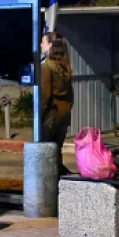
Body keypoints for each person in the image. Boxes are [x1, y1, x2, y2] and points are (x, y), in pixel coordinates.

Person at [40, 32, 75, 176]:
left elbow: (45, 95)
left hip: (52, 113)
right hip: (64, 111)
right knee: (57, 147)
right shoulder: (65, 66)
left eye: (43, 42)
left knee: (47, 148)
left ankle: (49, 178)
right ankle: (58, 174)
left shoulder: (47, 67)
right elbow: (71, 94)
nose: (41, 45)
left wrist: (40, 115)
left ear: (50, 46)